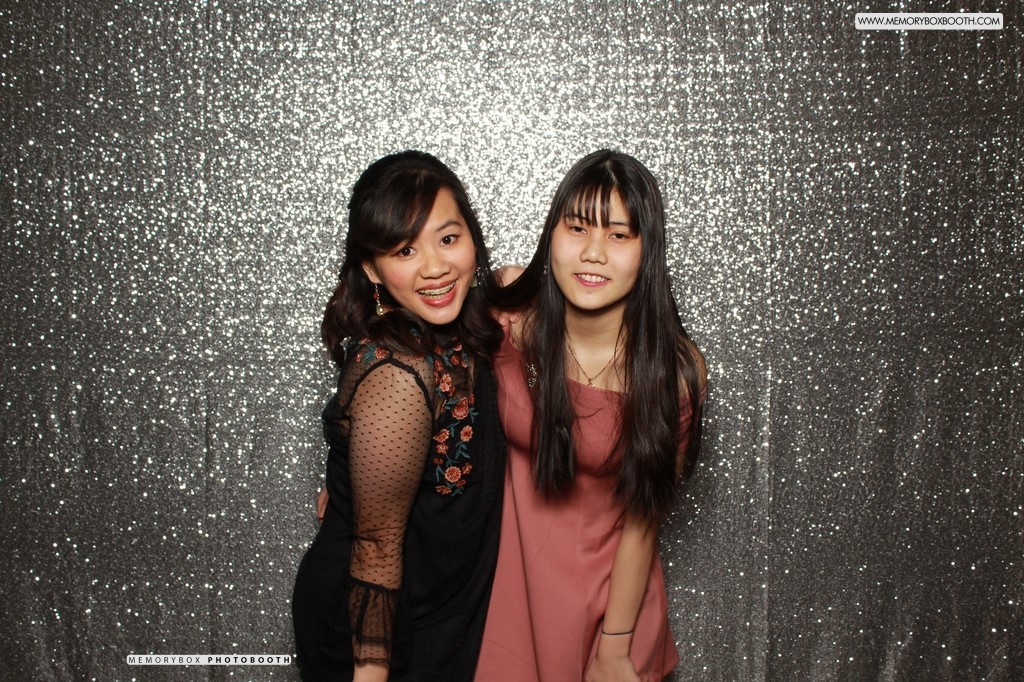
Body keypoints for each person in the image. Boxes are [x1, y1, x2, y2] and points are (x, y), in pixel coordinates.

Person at [475, 150, 707, 682]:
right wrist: (361, 477)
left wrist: (614, 648)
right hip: (504, 602)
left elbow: (643, 520)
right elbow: (415, 366)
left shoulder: (673, 374)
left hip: (608, 613)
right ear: (551, 234)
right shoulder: (507, 312)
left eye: (619, 235)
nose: (593, 253)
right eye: (577, 227)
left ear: (648, 250)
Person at [292, 150, 506, 682]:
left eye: (448, 239)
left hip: (440, 607)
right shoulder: (398, 372)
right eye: (405, 250)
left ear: (472, 237)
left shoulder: (467, 329)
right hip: (378, 630)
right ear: (371, 267)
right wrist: (371, 674)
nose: (435, 267)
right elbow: (375, 547)